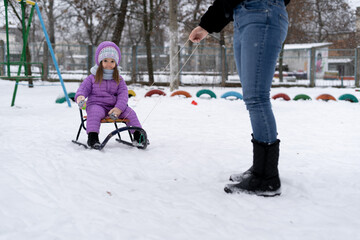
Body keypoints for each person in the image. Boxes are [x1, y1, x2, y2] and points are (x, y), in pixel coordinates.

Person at [189, 0, 290, 197]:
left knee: (257, 97)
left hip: (263, 12)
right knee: (252, 97)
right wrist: (206, 25)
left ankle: (267, 178)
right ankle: (260, 168)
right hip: (243, 15)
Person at [75, 41, 144, 149]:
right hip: (97, 104)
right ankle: (93, 138)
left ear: (116, 63)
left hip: (115, 107)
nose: (108, 64)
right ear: (100, 61)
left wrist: (118, 109)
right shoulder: (92, 78)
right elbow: (83, 89)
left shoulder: (119, 79)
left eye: (112, 61)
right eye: (105, 60)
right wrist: (80, 97)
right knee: (95, 113)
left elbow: (123, 95)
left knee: (130, 113)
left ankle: (138, 136)